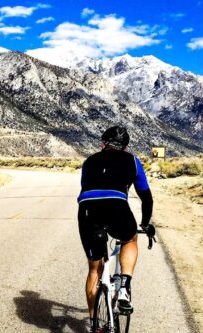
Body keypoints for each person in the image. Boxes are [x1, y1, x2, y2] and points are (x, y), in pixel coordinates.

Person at [77, 126, 154, 331]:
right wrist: (145, 224)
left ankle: (95, 323)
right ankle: (124, 289)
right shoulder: (132, 161)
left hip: (87, 210)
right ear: (125, 146)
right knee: (129, 239)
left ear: (103, 143)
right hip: (116, 207)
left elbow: (87, 188)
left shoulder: (89, 161)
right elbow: (145, 196)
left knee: (95, 269)